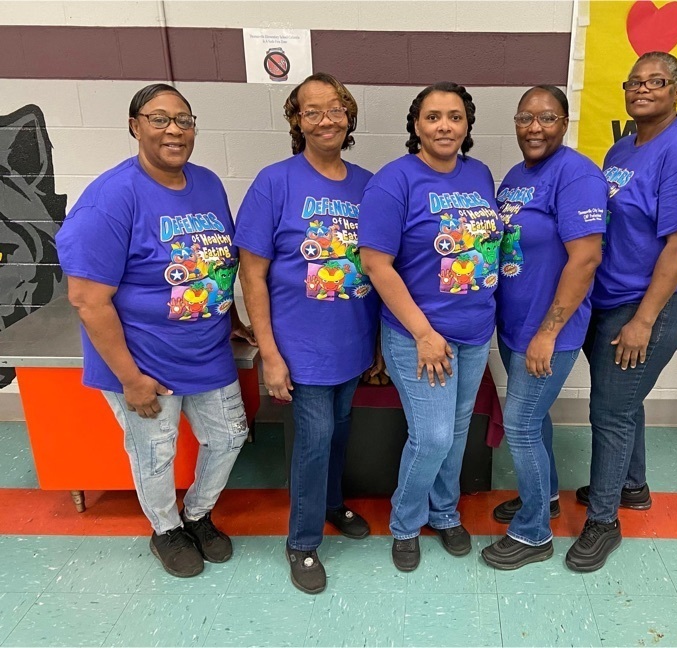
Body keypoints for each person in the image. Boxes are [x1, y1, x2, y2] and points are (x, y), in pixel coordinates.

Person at [57, 83, 255, 578]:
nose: (174, 129)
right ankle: (165, 529)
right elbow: (86, 298)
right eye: (159, 118)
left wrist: (229, 318)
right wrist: (130, 378)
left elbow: (215, 262)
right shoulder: (110, 198)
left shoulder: (207, 183)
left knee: (230, 436)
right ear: (135, 126)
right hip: (142, 360)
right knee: (155, 451)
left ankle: (198, 514)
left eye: (184, 120)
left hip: (206, 351)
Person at [566, 51, 677, 572]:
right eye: (634, 82)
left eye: (656, 81)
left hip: (652, 303)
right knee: (624, 399)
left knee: (610, 408)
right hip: (611, 296)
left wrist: (643, 320)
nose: (642, 90)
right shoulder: (622, 149)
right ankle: (632, 486)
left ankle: (604, 521)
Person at [235, 73, 380, 595]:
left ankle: (331, 503)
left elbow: (380, 266)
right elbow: (251, 273)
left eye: (336, 108)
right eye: (312, 111)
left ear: (349, 116)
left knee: (339, 433)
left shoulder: (368, 184)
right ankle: (302, 542)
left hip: (352, 340)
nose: (326, 119)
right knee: (314, 440)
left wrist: (379, 345)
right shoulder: (274, 183)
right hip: (301, 346)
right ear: (296, 121)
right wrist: (269, 352)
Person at [359, 82, 501, 572]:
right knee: (434, 436)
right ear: (416, 125)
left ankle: (444, 512)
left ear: (467, 125)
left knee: (457, 432)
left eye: (455, 117)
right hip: (419, 336)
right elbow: (377, 264)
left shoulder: (480, 174)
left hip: (475, 330)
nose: (445, 126)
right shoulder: (393, 181)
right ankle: (404, 522)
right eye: (434, 116)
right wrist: (423, 333)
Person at [480, 86, 607, 570]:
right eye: (525, 118)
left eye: (547, 118)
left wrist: (548, 332)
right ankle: (547, 496)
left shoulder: (576, 175)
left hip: (547, 331)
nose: (534, 127)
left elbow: (587, 257)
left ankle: (534, 532)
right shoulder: (516, 176)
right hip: (517, 327)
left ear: (566, 121)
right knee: (535, 417)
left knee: (521, 423)